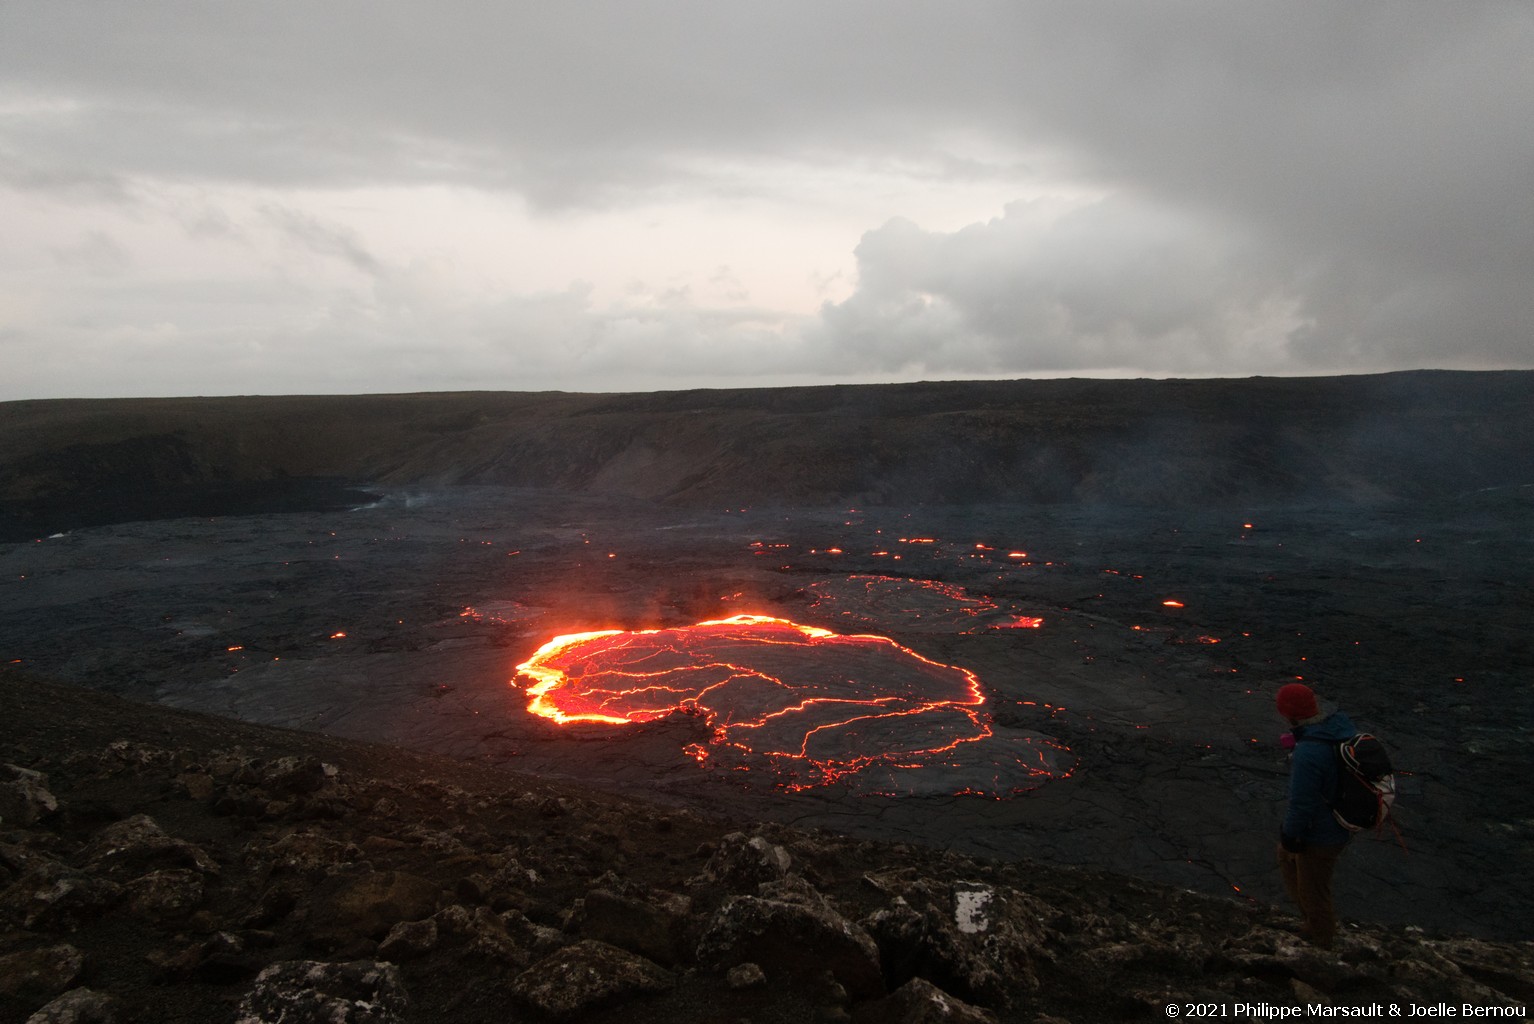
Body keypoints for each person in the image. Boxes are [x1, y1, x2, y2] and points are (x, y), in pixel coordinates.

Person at [1275, 681, 1355, 949]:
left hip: (1321, 833)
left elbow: (1302, 803)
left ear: (1290, 712)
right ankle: (1311, 925)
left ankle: (1321, 943)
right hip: (1337, 824)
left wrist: (1290, 836)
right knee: (1291, 864)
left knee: (1314, 891)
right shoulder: (1336, 730)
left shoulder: (1310, 751)